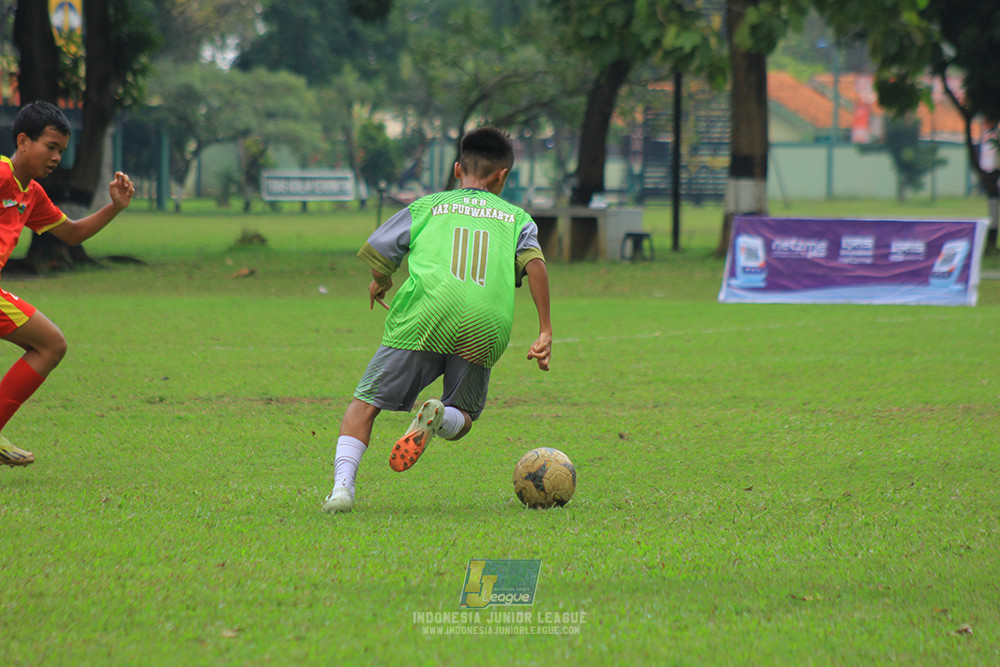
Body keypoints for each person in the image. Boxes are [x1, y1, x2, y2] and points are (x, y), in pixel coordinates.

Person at [323, 127, 552, 513]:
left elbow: (383, 251)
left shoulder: (428, 205)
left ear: (458, 169)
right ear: (503, 175)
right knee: (463, 417)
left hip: (424, 314)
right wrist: (545, 329)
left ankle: (342, 489)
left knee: (364, 404)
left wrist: (380, 282)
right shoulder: (517, 218)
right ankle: (441, 415)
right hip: (484, 324)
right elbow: (535, 265)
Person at [0, 101, 135, 467]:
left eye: (62, 150)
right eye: (51, 147)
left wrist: (115, 207)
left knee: (50, 344)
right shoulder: (0, 172)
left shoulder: (32, 194)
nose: (57, 157)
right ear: (24, 141)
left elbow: (72, 234)